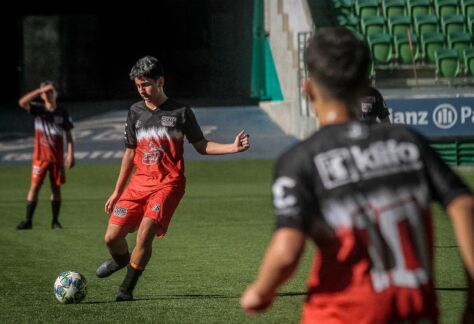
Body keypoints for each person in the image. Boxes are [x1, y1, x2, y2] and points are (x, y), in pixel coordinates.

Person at [240, 27, 474, 323]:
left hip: (342, 313)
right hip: (414, 310)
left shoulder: (301, 160)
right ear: (365, 84)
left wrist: (261, 291)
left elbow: (287, 250)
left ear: (309, 89)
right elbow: (464, 205)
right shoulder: (408, 142)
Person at [96, 56, 250, 302]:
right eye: (138, 86)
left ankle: (126, 289)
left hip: (169, 184)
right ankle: (121, 260)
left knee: (144, 234)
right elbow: (130, 151)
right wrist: (117, 191)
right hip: (138, 184)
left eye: (146, 84)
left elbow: (202, 145)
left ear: (161, 81)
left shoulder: (181, 112)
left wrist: (232, 148)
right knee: (111, 238)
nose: (142, 90)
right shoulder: (134, 112)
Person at [16, 81, 75, 230]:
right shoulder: (39, 110)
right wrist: (39, 89)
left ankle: (55, 221)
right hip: (40, 158)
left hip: (57, 159)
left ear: (56, 94)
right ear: (41, 95)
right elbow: (22, 102)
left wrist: (71, 154)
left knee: (56, 189)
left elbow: (68, 135)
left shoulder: (62, 112)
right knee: (34, 187)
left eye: (50, 91)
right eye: (45, 92)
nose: (47, 94)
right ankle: (28, 220)